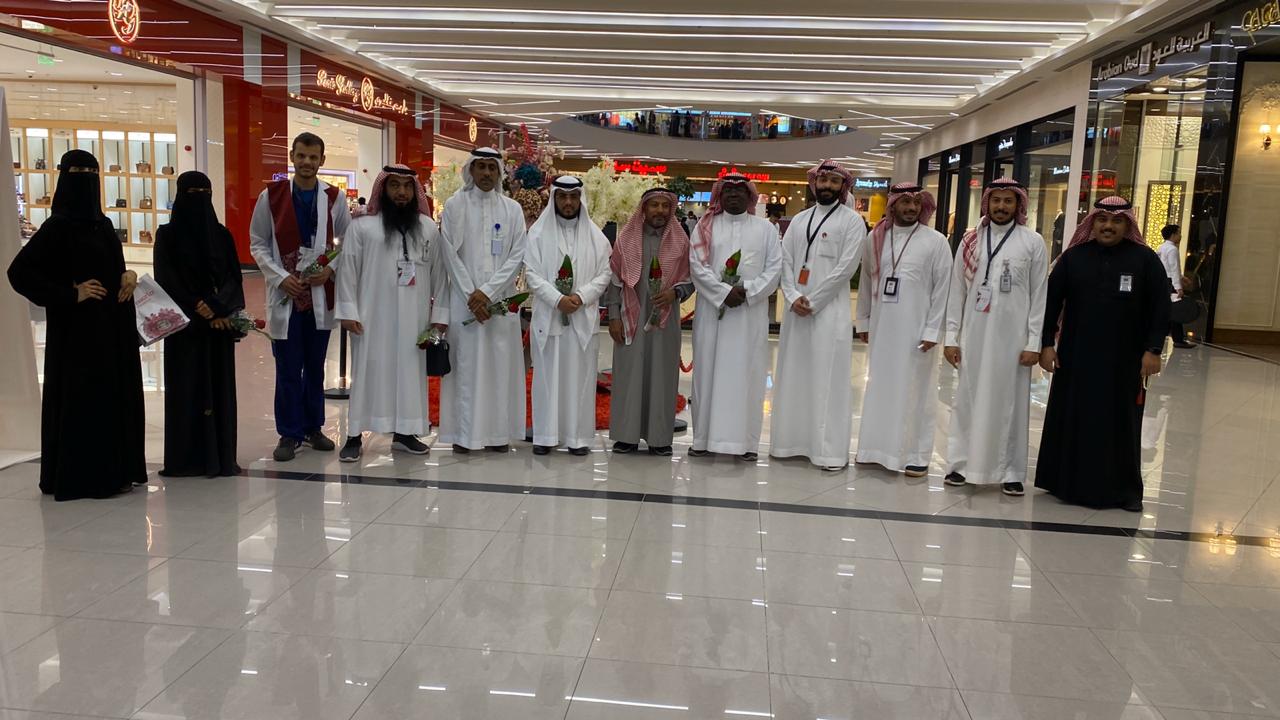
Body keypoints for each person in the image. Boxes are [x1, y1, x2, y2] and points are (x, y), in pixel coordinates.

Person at [7, 149, 145, 499]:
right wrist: (70, 294)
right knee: (83, 401)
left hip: (112, 328)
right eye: (80, 173)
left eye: (92, 173)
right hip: (77, 335)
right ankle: (83, 477)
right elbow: (19, 273)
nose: (87, 181)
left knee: (110, 399)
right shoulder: (58, 227)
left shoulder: (103, 225)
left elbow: (113, 267)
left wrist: (127, 275)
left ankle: (114, 472)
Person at [1036, 196, 1171, 512]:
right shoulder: (1073, 258)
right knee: (1075, 417)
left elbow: (1160, 308)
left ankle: (1123, 491)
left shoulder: (1145, 260)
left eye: (1117, 221)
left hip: (1125, 361)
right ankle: (1067, 485)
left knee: (1121, 422)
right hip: (1076, 356)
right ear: (1092, 223)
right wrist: (1046, 344)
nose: (1108, 226)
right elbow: (1050, 303)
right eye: (1102, 220)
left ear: (1127, 224)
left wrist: (1153, 349)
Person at [250, 132, 352, 461]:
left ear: (322, 161)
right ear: (292, 157)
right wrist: (280, 278)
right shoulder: (272, 196)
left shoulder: (334, 198)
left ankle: (313, 428)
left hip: (319, 295)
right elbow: (258, 242)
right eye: (301, 156)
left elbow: (348, 242)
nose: (307, 162)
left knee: (315, 366)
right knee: (289, 368)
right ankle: (289, 433)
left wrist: (330, 271)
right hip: (287, 296)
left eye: (313, 157)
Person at [942, 178, 1048, 495]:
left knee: (1012, 404)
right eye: (996, 200)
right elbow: (956, 292)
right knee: (967, 399)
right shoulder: (970, 240)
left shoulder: (1033, 242)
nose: (1001, 206)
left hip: (1014, 340)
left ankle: (1011, 471)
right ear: (987, 203)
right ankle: (960, 465)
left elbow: (1039, 296)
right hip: (973, 335)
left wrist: (1033, 342)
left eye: (1008, 201)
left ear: (1019, 205)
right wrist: (951, 337)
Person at [335, 165, 446, 462]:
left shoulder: (428, 228)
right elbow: (347, 272)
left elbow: (440, 275)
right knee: (368, 374)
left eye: (407, 186)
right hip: (371, 319)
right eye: (394, 185)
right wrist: (347, 311)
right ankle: (354, 435)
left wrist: (440, 316)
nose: (401, 192)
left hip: (414, 320)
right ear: (382, 189)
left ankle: (405, 433)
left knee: (410, 375)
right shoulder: (362, 227)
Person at [770, 160, 865, 471]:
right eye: (823, 180)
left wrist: (813, 300)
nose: (827, 186)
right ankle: (788, 444)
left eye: (834, 181)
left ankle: (828, 452)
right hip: (796, 312)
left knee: (828, 380)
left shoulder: (852, 222)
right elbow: (785, 261)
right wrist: (792, 296)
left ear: (843, 187)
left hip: (830, 313)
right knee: (793, 375)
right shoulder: (799, 220)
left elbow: (846, 268)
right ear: (814, 183)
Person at [854, 182, 951, 477]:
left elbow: (943, 290)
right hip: (882, 327)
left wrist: (933, 330)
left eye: (916, 203)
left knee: (917, 392)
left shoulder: (936, 241)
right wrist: (864, 321)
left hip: (917, 331)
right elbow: (867, 281)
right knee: (880, 386)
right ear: (892, 205)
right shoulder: (876, 238)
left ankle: (915, 454)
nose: (911, 208)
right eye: (905, 202)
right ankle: (875, 448)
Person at [153, 170, 245, 478]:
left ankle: (219, 456)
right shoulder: (167, 236)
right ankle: (185, 459)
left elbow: (233, 277)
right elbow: (166, 279)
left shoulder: (222, 235)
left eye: (204, 194)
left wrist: (218, 307)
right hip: (185, 329)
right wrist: (196, 305)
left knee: (218, 388)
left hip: (218, 326)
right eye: (193, 194)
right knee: (186, 390)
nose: (199, 200)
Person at [437, 147, 528, 453]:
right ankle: (465, 435)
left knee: (499, 368)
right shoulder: (455, 205)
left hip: (500, 303)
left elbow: (517, 255)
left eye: (492, 167)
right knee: (465, 367)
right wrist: (471, 295)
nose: (487, 173)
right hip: (464, 303)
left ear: (500, 172)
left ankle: (498, 435)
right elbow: (449, 253)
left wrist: (487, 292)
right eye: (481, 167)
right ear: (471, 170)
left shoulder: (512, 209)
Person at [688, 172, 783, 461]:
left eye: (739, 190)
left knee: (749, 375)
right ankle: (702, 439)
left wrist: (748, 291)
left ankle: (746, 444)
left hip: (749, 316)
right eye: (727, 190)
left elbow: (775, 269)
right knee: (707, 373)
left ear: (749, 196)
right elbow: (696, 266)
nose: (733, 195)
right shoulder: (705, 226)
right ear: (720, 195)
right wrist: (722, 292)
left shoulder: (765, 229)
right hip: (711, 313)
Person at [524, 176, 612, 456]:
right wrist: (557, 299)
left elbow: (605, 274)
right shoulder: (537, 234)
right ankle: (545, 436)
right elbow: (531, 274)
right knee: (546, 378)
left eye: (573, 196)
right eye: (562, 196)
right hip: (549, 318)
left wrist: (581, 296)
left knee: (580, 379)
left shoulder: (597, 238)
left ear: (580, 199)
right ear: (554, 199)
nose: (568, 202)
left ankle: (578, 438)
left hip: (581, 320)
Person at [606, 187, 693, 456]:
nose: (660, 211)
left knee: (662, 377)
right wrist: (613, 316)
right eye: (654, 205)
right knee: (629, 375)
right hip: (630, 319)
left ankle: (659, 438)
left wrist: (675, 292)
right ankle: (626, 436)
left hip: (665, 321)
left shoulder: (681, 241)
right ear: (644, 208)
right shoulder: (626, 239)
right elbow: (614, 281)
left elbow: (691, 279)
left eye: (665, 206)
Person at [1157, 224, 1194, 348]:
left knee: (1169, 311)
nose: (1180, 236)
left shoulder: (1161, 247)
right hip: (1171, 283)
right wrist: (1178, 287)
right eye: (1178, 233)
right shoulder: (1172, 249)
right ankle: (1178, 339)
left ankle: (1163, 335)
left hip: (1163, 281)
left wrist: (1182, 277)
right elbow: (1174, 268)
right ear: (1173, 235)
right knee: (1176, 311)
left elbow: (1165, 267)